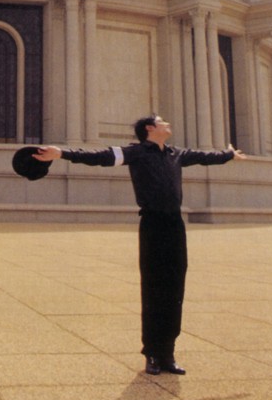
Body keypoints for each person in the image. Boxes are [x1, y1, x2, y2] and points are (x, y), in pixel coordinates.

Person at [34, 115, 247, 375]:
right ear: (150, 128)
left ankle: (168, 353)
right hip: (153, 224)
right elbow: (100, 156)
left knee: (175, 289)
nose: (167, 124)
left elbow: (204, 157)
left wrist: (228, 155)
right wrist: (61, 153)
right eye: (161, 121)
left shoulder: (176, 154)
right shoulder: (136, 153)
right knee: (154, 288)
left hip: (175, 225)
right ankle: (152, 353)